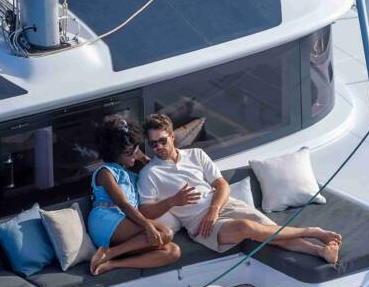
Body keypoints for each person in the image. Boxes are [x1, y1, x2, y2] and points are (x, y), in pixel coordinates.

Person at [137, 114, 341, 263]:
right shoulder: (150, 173)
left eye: (162, 141)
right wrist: (172, 202)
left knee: (270, 232)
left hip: (222, 205)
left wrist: (213, 210)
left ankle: (320, 251)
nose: (159, 147)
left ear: (172, 136)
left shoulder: (196, 154)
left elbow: (221, 184)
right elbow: (145, 211)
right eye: (153, 144)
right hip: (200, 224)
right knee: (247, 228)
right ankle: (312, 231)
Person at [87, 117, 180, 275]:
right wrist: (147, 225)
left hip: (125, 223)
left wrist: (140, 155)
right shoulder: (105, 172)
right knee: (166, 233)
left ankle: (112, 263)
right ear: (114, 153)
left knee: (172, 251)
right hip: (106, 219)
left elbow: (152, 167)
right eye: (128, 152)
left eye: (135, 149)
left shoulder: (132, 175)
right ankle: (109, 253)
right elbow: (123, 204)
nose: (133, 155)